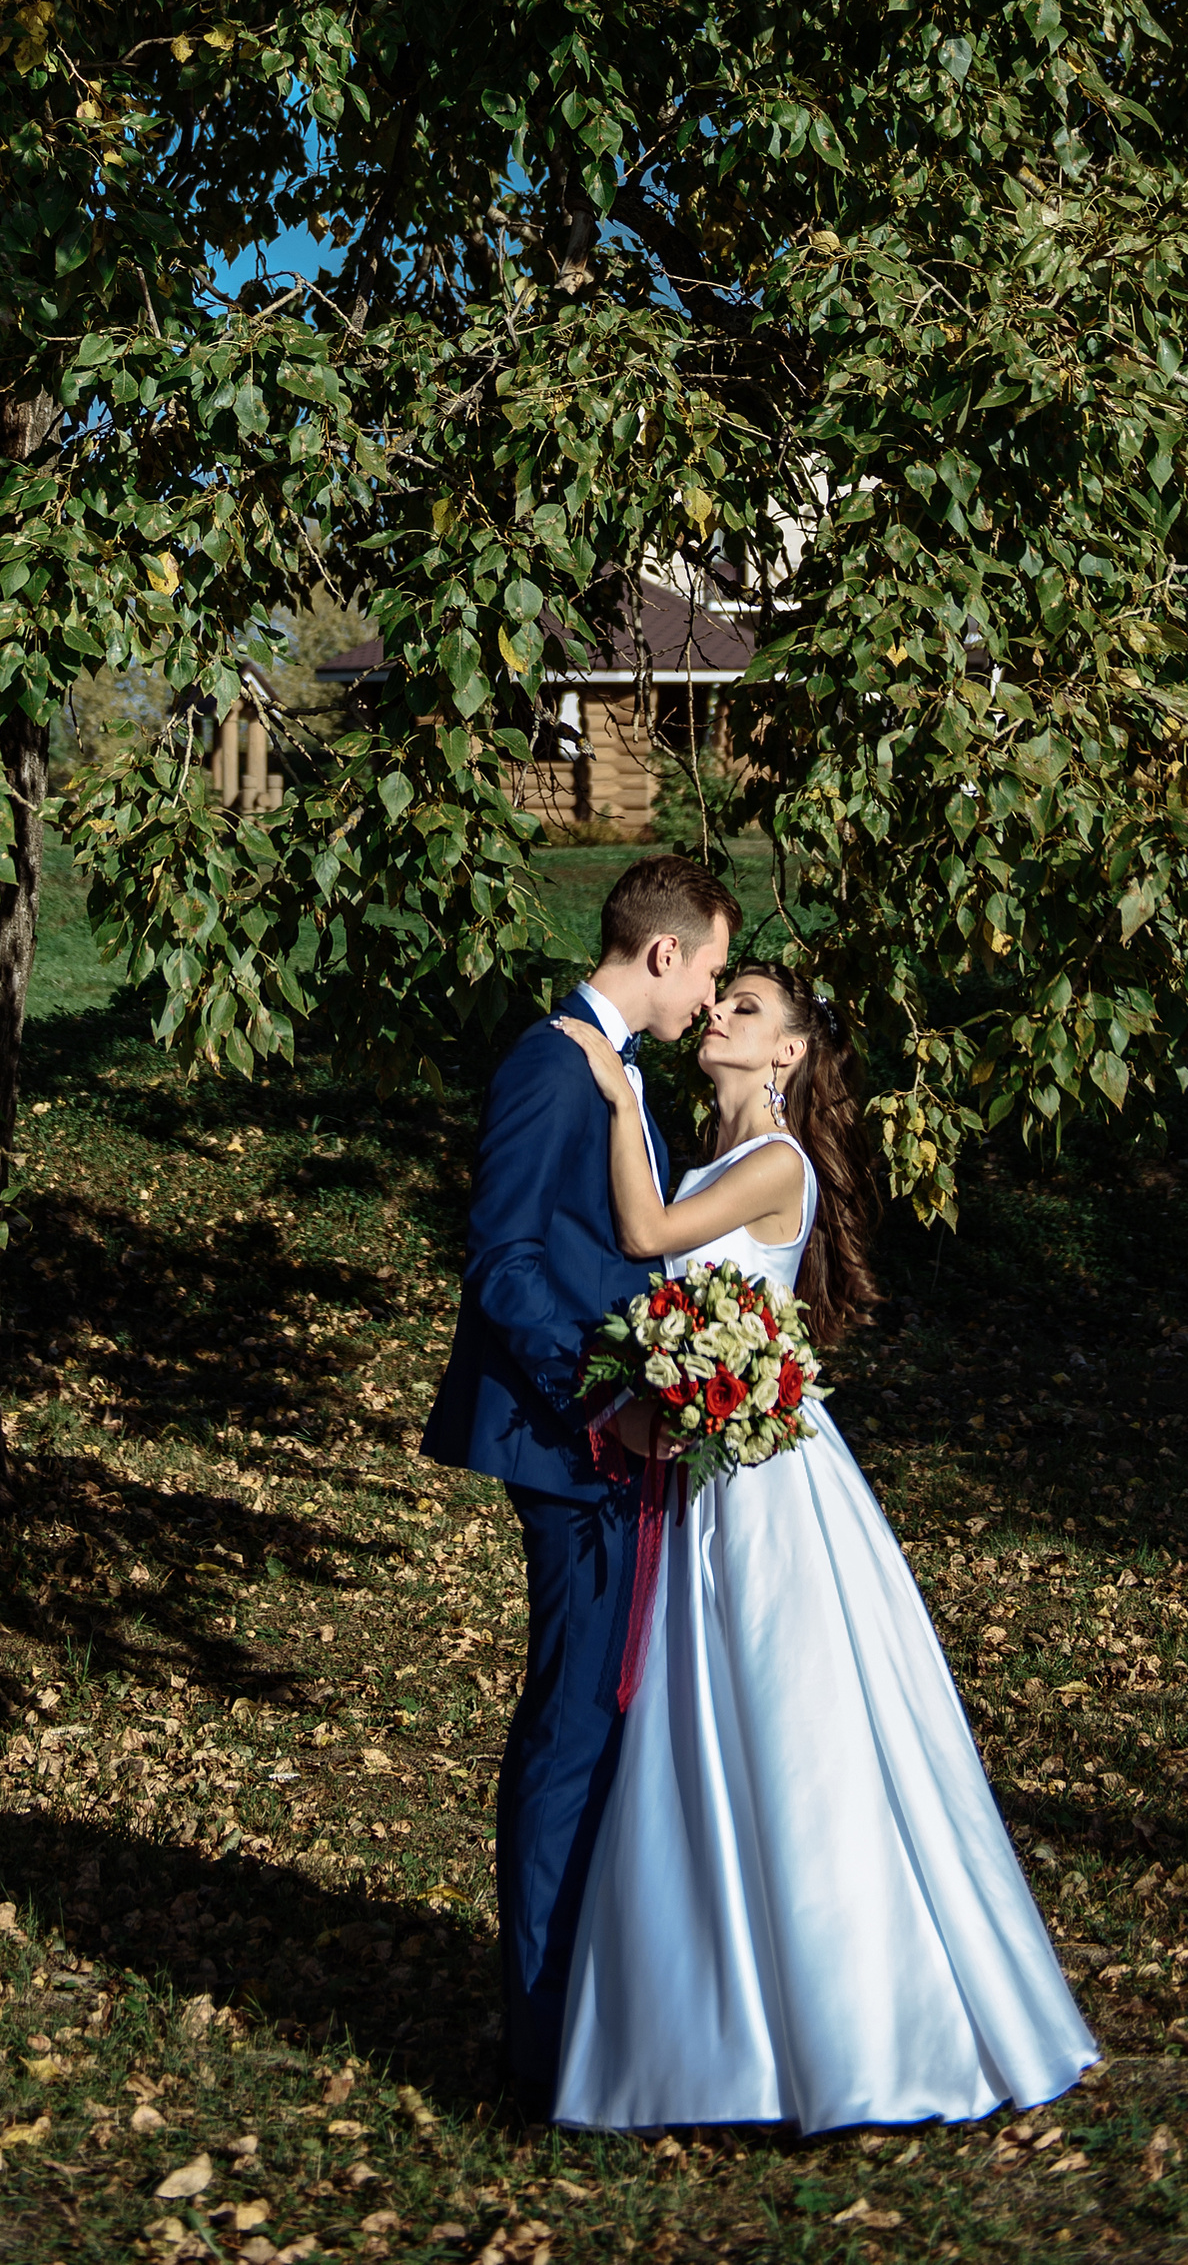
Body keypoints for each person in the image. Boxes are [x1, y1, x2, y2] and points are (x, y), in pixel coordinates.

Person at [545, 962, 1099, 2136]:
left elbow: (645, 1230)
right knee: (705, 1734)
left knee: (796, 1732)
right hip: (704, 1470)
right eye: (723, 997)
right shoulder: (716, 1152)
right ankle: (715, 2036)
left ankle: (862, 2026)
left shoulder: (776, 1162)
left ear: (788, 1053)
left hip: (769, 1486)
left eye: (746, 1008)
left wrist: (609, 1092)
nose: (721, 1015)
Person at [420, 852, 741, 2119]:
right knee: (569, 1727)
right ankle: (541, 2047)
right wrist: (613, 1394)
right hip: (572, 1448)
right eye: (711, 965)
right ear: (663, 952)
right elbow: (500, 1263)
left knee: (602, 1724)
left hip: (617, 1442)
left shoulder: (606, 1071)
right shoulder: (552, 1063)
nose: (711, 995)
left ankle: (591, 2015)